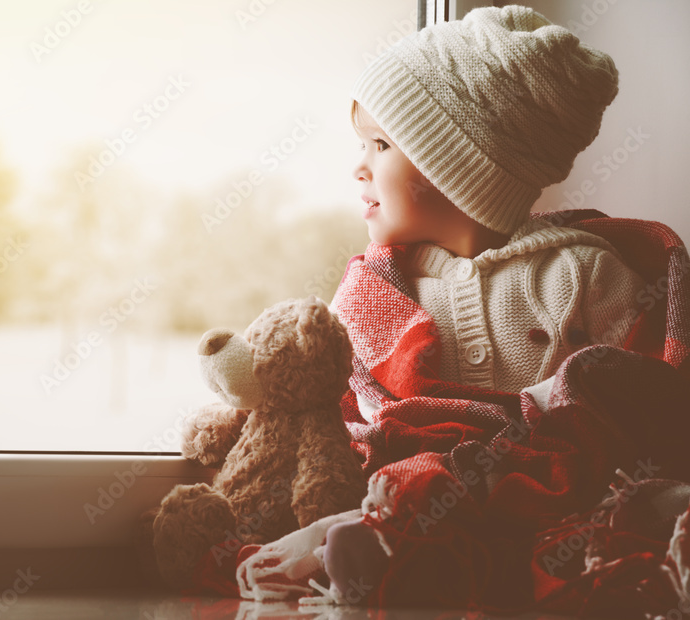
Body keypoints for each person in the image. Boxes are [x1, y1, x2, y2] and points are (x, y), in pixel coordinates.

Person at [235, 4, 663, 606]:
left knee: (627, 520)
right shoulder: (377, 291)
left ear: (457, 168)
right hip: (406, 492)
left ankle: (405, 553)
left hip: (546, 504)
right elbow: (349, 422)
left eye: (380, 144)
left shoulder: (581, 275)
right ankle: (373, 545)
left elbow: (634, 406)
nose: (358, 167)